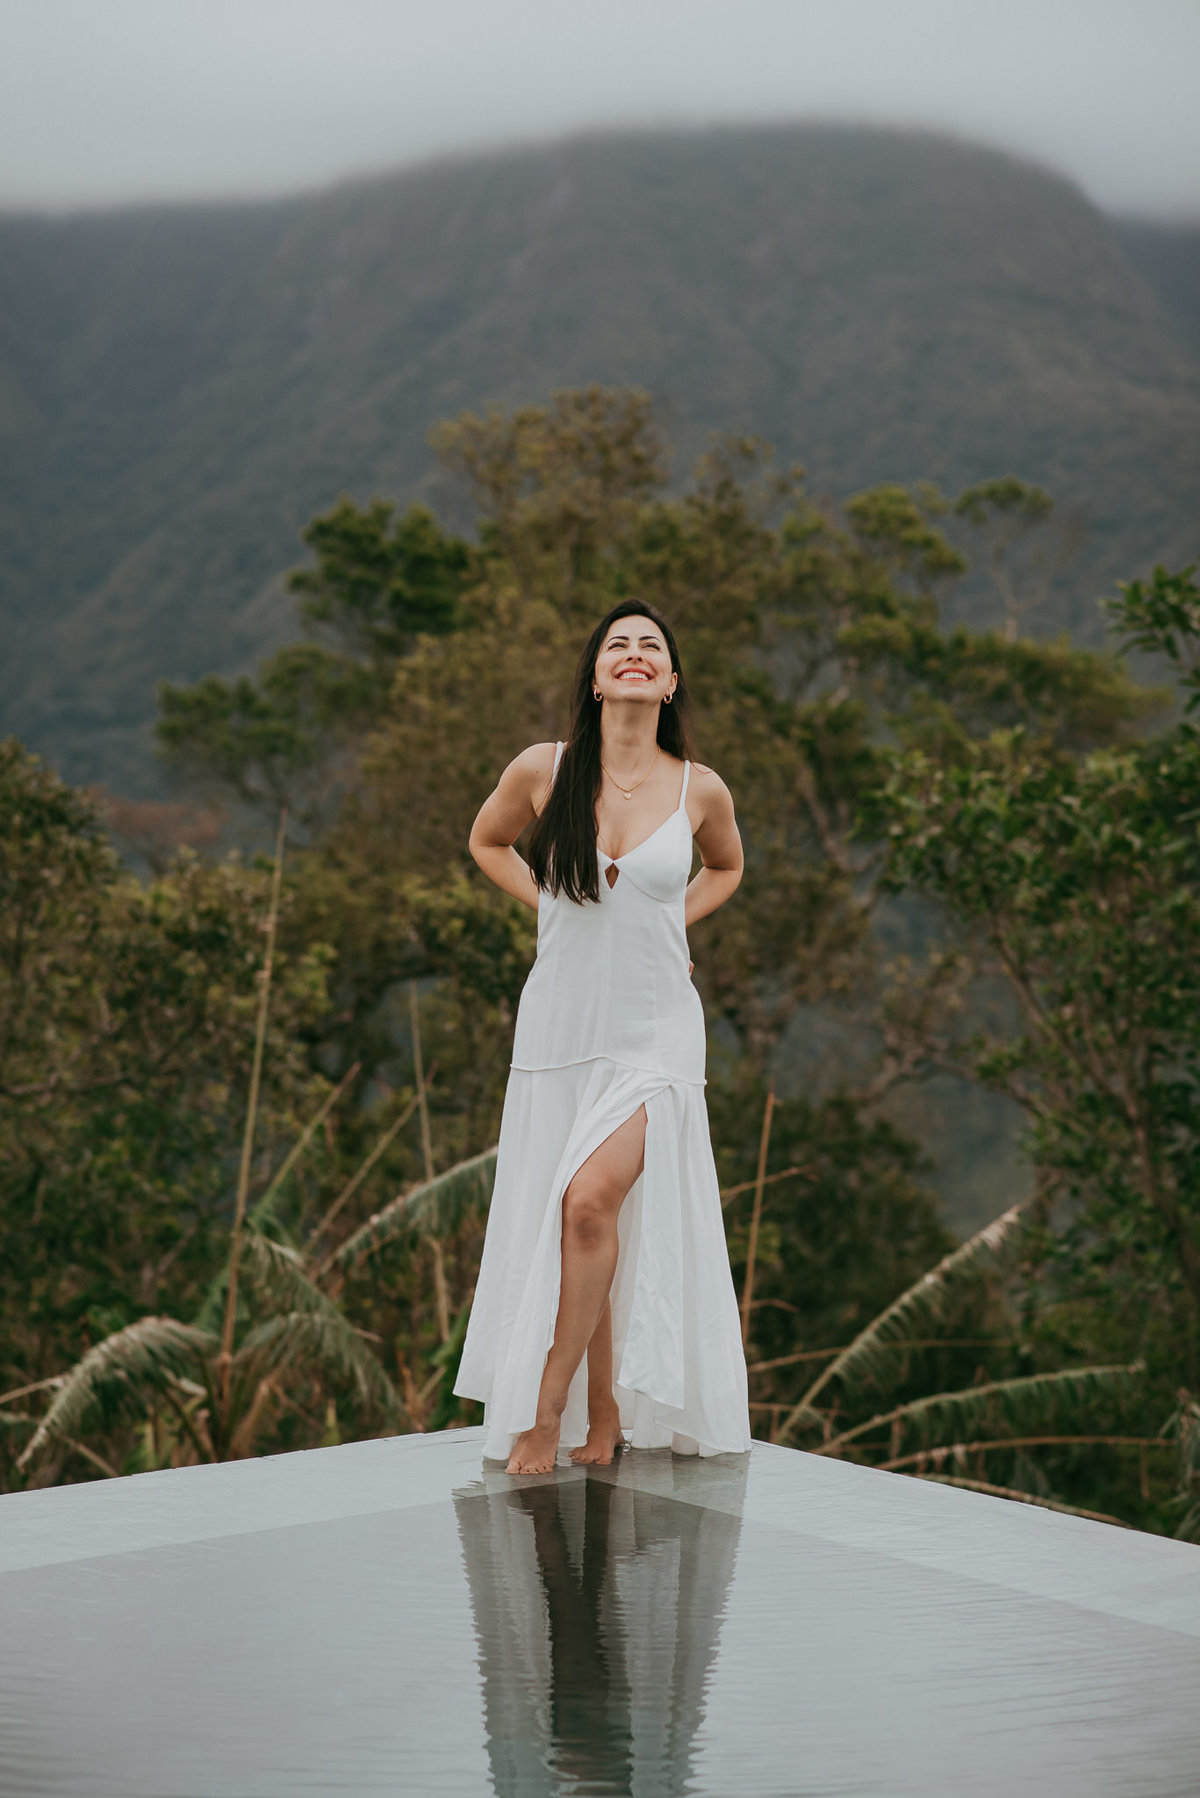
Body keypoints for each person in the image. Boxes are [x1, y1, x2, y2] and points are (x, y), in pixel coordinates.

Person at [453, 601, 751, 1474]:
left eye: (650, 646)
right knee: (587, 1224)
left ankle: (546, 1409)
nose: (633, 654)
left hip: (655, 1034)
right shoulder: (542, 769)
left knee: (587, 1204)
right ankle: (606, 1413)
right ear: (594, 677)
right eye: (617, 644)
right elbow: (487, 842)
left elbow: (728, 865)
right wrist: (549, 902)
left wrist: (673, 920)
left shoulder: (700, 788)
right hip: (560, 1029)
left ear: (669, 681)